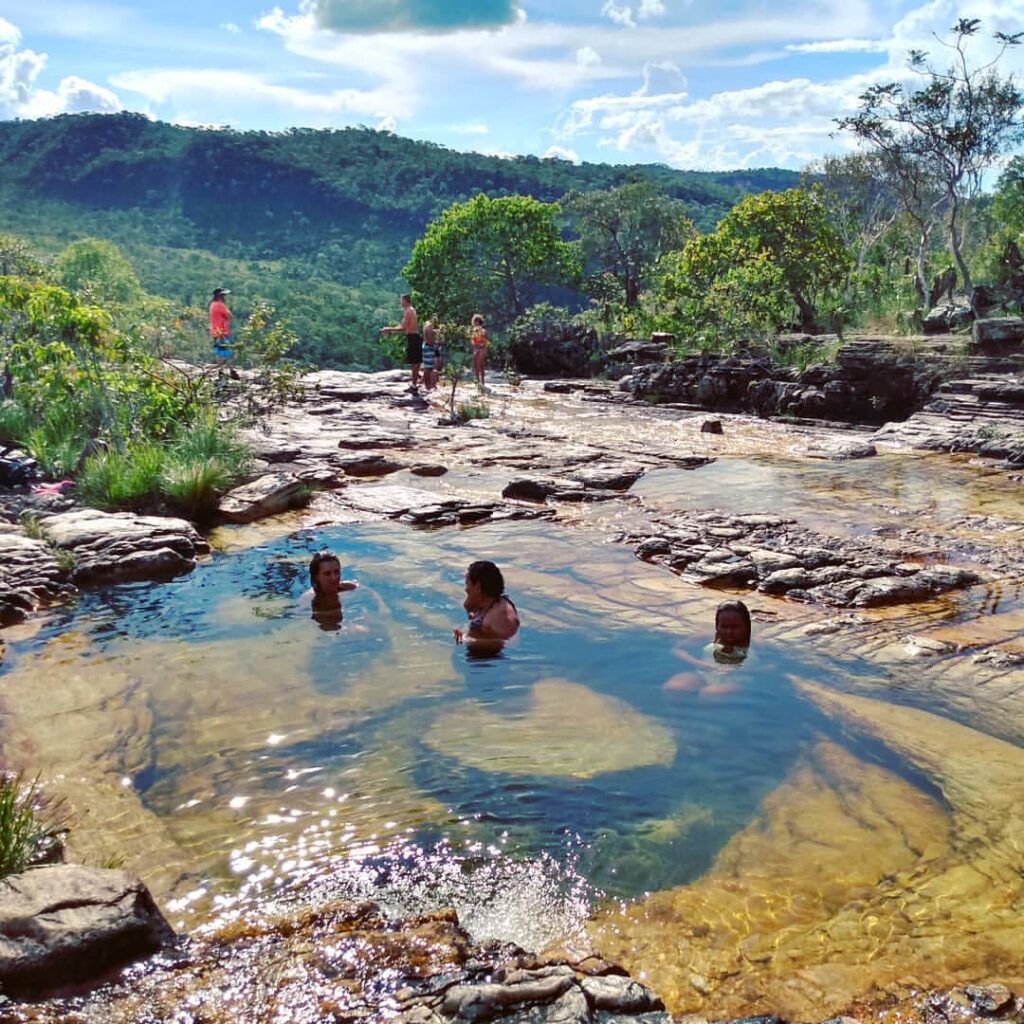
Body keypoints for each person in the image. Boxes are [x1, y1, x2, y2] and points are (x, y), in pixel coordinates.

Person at [664, 599, 752, 694]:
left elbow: (766, 667)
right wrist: (698, 663)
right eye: (724, 627)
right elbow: (677, 649)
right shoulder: (708, 636)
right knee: (674, 688)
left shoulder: (755, 643)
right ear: (717, 626)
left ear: (746, 626)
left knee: (709, 693)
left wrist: (741, 670)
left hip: (737, 681)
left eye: (735, 627)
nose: (729, 632)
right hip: (703, 676)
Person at [453, 560, 519, 651]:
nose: (466, 589)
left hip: (490, 658)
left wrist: (465, 639)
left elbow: (510, 643)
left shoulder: (502, 615)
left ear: (478, 586)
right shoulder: (485, 604)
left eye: (467, 584)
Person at [299, 550, 358, 631]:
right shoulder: (308, 599)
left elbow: (371, 595)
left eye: (336, 572)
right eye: (327, 573)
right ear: (317, 577)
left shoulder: (349, 587)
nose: (334, 578)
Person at [380, 294, 421, 394]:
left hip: (413, 337)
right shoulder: (410, 310)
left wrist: (389, 329)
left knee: (415, 362)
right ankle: (414, 384)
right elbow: (403, 326)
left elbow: (403, 328)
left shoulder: (408, 311)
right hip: (413, 336)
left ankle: (414, 386)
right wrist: (391, 329)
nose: (400, 302)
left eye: (401, 300)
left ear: (405, 300)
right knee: (415, 362)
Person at [209, 287, 238, 379]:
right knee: (226, 351)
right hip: (222, 331)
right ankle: (231, 370)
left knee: (218, 352)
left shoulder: (212, 304)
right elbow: (229, 315)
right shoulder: (220, 305)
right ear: (220, 296)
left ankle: (221, 370)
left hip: (215, 331)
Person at [469, 313, 488, 388]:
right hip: (477, 348)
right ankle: (478, 382)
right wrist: (474, 344)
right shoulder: (474, 330)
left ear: (478, 321)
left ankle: (481, 382)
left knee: (480, 365)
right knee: (476, 366)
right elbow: (472, 340)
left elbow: (485, 341)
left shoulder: (482, 330)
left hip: (481, 348)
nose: (474, 323)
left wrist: (480, 345)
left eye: (476, 321)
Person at [421, 319, 439, 391]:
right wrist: (438, 342)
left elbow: (432, 333)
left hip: (429, 347)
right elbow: (429, 339)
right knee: (427, 368)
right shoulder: (428, 326)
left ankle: (430, 384)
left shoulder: (429, 327)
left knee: (430, 367)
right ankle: (427, 385)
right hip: (428, 347)